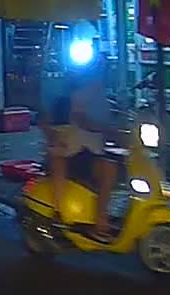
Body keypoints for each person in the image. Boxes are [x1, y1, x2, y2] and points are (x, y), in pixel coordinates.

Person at [39, 54, 118, 241]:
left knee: (111, 169)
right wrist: (104, 129)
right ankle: (59, 214)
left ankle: (101, 218)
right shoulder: (77, 96)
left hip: (92, 153)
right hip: (72, 153)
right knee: (59, 161)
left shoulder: (105, 100)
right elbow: (80, 119)